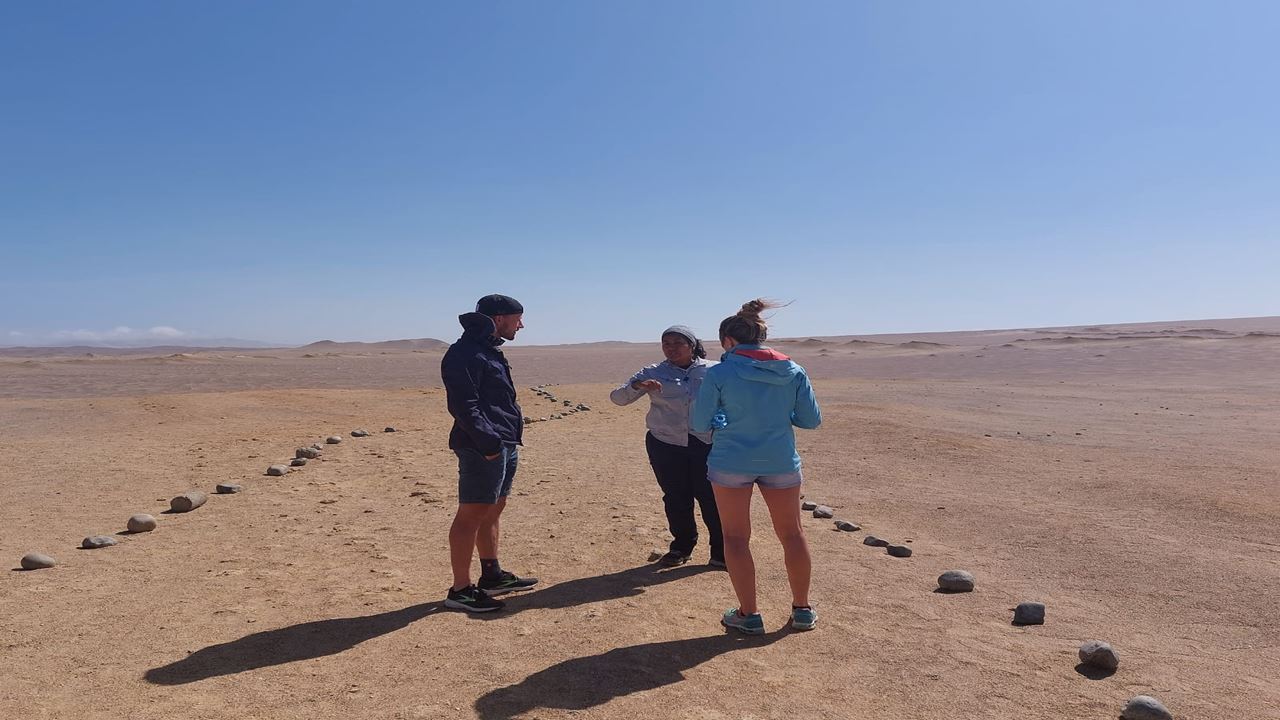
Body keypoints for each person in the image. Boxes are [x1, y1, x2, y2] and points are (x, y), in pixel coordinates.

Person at [691, 299, 822, 634]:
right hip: (780, 460)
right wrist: (777, 417)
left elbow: (700, 421)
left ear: (727, 341)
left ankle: (749, 615)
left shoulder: (719, 372)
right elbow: (810, 420)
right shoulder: (793, 370)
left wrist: (725, 419)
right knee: (792, 534)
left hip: (730, 462)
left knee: (735, 538)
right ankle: (802, 609)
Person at [439, 294, 539, 612]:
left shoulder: (488, 350)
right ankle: (460, 589)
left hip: (504, 444)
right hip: (482, 448)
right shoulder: (464, 353)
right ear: (499, 319)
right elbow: (463, 406)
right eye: (517, 318)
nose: (521, 325)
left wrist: (502, 442)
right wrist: (489, 444)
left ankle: (492, 575)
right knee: (471, 515)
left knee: (493, 509)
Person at [610, 326, 725, 569]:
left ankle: (721, 552)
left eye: (677, 343)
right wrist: (638, 386)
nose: (671, 348)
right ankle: (682, 546)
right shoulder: (652, 372)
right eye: (666, 343)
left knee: (711, 497)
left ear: (692, 345)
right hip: (666, 443)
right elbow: (618, 398)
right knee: (675, 496)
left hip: (707, 443)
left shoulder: (715, 370)